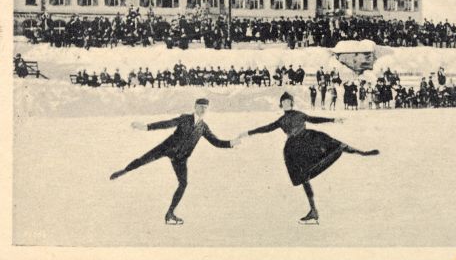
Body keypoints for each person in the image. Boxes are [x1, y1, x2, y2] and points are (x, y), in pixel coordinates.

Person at [233, 92, 379, 224]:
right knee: (304, 178)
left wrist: (333, 120)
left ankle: (362, 152)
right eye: (283, 102)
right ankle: (313, 210)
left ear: (291, 103)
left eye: (288, 101)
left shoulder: (299, 114)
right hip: (294, 149)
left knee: (334, 143)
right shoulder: (281, 120)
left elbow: (314, 119)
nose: (285, 104)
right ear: (281, 104)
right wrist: (247, 133)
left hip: (308, 139)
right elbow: (265, 128)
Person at [109, 98, 237, 225]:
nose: (203, 109)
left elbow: (216, 142)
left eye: (205, 107)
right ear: (195, 107)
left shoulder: (203, 127)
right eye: (201, 106)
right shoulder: (185, 118)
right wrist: (146, 127)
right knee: (143, 160)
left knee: (183, 184)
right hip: (167, 148)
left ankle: (170, 213)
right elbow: (167, 123)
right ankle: (124, 171)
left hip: (180, 158)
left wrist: (231, 143)